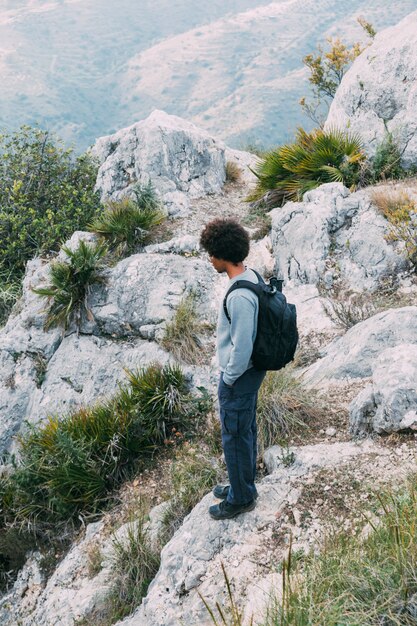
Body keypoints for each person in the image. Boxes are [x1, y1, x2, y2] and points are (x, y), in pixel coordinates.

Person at [199, 218, 266, 520]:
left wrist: (228, 378)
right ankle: (242, 486)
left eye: (211, 254)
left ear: (221, 255)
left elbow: (242, 347)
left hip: (239, 377)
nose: (210, 260)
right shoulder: (251, 276)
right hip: (250, 375)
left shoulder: (239, 296)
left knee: (234, 436)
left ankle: (241, 499)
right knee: (244, 432)